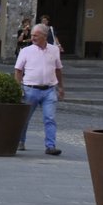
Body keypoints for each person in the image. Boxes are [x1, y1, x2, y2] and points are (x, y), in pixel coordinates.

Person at [14, 23, 64, 156]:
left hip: (49, 90)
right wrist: (18, 87)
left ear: (44, 36)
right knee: (24, 118)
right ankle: (20, 141)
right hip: (30, 89)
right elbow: (18, 70)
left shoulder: (54, 50)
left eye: (35, 35)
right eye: (31, 35)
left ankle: (50, 146)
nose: (32, 37)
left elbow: (58, 69)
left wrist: (61, 87)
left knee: (50, 118)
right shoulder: (26, 51)